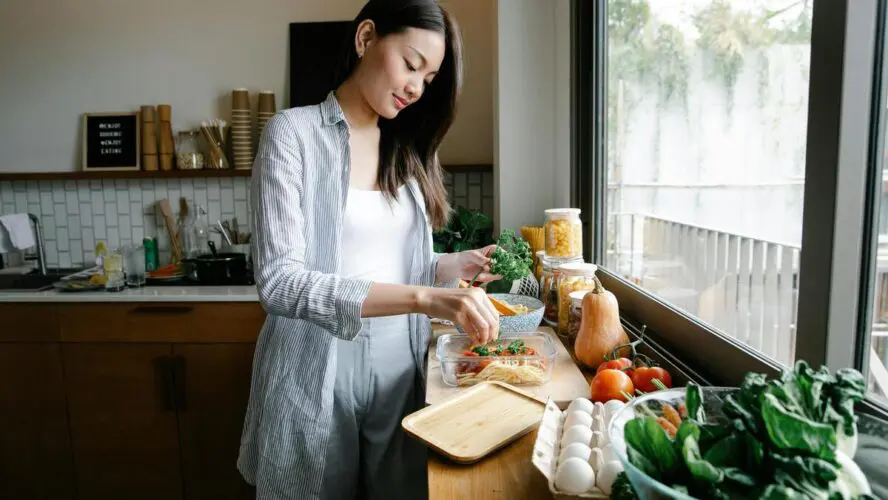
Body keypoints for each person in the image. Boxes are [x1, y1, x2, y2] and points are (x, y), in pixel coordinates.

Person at [237, 1, 501, 498]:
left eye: (429, 78)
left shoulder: (406, 149)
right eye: (411, 64)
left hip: (401, 368)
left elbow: (394, 264)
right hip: (315, 368)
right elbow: (279, 282)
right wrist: (427, 298)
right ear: (365, 38)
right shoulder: (292, 135)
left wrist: (447, 268)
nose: (417, 87)